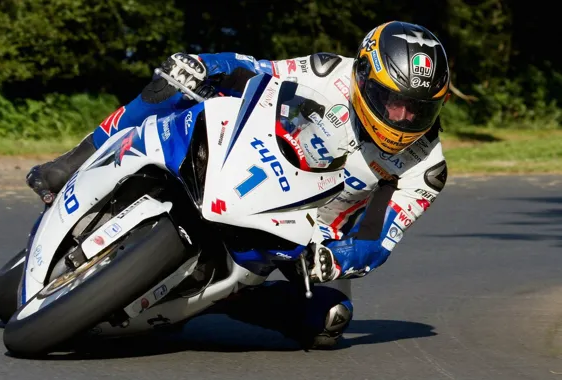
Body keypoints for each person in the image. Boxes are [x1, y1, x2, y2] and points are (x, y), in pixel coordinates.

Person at [25, 21, 450, 349]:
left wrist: (335, 260)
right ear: (362, 77)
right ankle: (73, 160)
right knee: (174, 80)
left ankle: (229, 299)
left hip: (308, 235)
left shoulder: (427, 167)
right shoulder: (329, 72)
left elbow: (380, 241)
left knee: (331, 320)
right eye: (392, 102)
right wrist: (207, 65)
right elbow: (256, 69)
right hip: (261, 160)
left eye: (418, 110)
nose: (403, 118)